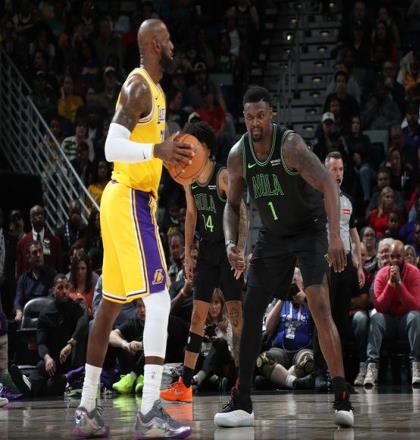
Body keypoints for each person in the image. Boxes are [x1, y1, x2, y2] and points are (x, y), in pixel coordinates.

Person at [73, 19, 193, 439]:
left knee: (108, 307)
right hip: (129, 199)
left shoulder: (156, 92)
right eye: (169, 39)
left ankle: (87, 408)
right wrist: (157, 149)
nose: (173, 46)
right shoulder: (138, 86)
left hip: (130, 199)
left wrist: (167, 154)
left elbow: (148, 149)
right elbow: (110, 146)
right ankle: (149, 412)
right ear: (156, 43)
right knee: (159, 301)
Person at [214, 86, 353, 428]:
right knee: (250, 310)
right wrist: (232, 242)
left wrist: (335, 237)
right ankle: (242, 402)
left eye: (261, 116)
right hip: (273, 237)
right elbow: (232, 205)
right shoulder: (238, 155)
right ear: (244, 117)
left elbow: (329, 185)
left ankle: (341, 396)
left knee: (319, 305)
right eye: (249, 117)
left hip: (309, 231)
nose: (255, 122)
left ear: (271, 115)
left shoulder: (291, 146)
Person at [161, 121, 245, 402]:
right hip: (207, 250)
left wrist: (240, 249)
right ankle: (185, 384)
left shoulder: (222, 175)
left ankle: (242, 381)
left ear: (206, 149)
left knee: (236, 317)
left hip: (227, 250)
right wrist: (187, 252)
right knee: (197, 317)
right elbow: (191, 215)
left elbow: (242, 212)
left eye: (194, 146)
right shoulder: (189, 179)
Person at [321, 151, 366, 386]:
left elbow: (353, 233)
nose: (338, 174)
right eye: (333, 169)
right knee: (323, 318)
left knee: (340, 318)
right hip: (325, 263)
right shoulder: (317, 198)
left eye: (340, 169)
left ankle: (339, 375)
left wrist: (359, 265)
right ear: (325, 170)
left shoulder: (347, 200)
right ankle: (322, 373)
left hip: (346, 264)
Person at [364, 240, 420, 387]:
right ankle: (372, 366)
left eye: (398, 256)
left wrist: (400, 284)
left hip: (405, 321)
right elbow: (380, 307)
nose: (395, 260)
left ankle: (415, 365)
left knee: (415, 317)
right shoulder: (381, 274)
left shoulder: (414, 273)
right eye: (392, 256)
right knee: (376, 318)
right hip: (388, 320)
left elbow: (415, 305)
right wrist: (391, 284)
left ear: (404, 256)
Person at [31, 274, 88, 397]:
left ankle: (56, 384)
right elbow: (41, 343)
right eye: (60, 288)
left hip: (71, 361)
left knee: (47, 387)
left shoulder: (76, 308)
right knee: (37, 375)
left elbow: (83, 324)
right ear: (53, 290)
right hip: (54, 361)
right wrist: (47, 358)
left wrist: (70, 344)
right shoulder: (46, 313)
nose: (64, 291)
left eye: (67, 287)